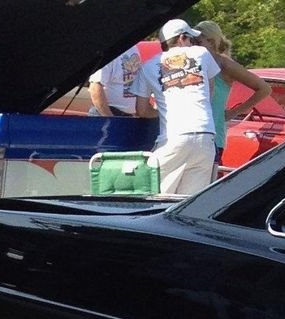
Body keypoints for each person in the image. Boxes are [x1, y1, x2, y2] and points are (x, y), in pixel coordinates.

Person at [134, 19, 269, 195]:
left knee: (151, 193)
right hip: (206, 136)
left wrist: (166, 108)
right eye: (191, 39)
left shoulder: (148, 66)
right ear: (182, 38)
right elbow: (209, 91)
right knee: (187, 201)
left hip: (174, 137)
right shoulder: (201, 54)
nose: (192, 44)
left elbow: (142, 111)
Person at [196, 20, 270, 162]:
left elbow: (264, 88)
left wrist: (235, 112)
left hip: (213, 136)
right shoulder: (194, 61)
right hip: (193, 134)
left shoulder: (224, 64)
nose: (193, 47)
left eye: (198, 43)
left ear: (211, 42)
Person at [88, 45, 144, 117]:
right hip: (106, 113)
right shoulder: (110, 52)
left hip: (127, 116)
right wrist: (110, 119)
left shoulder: (133, 48)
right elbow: (95, 87)